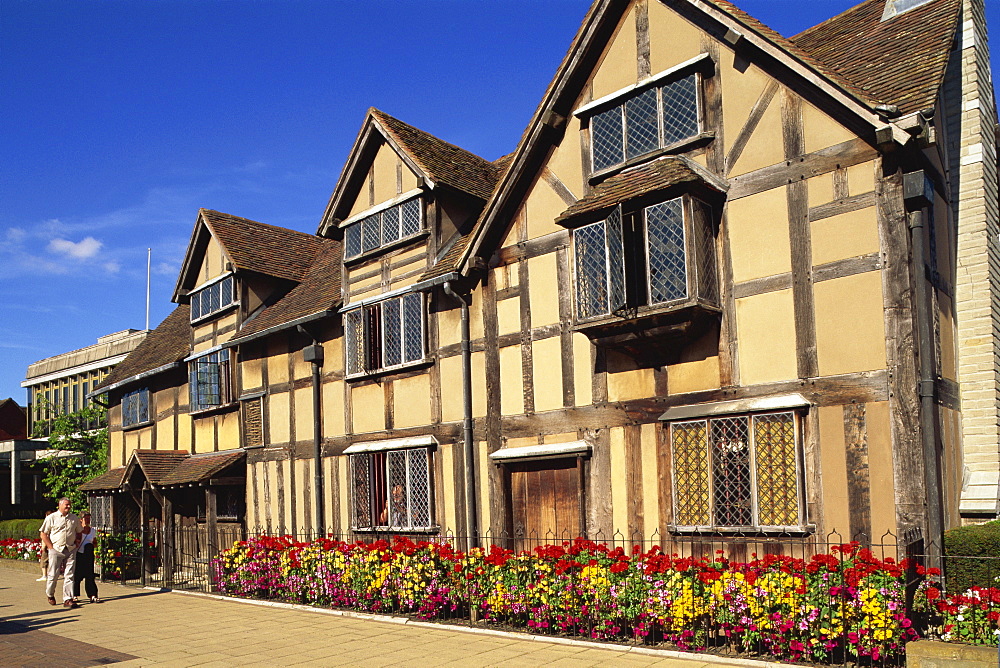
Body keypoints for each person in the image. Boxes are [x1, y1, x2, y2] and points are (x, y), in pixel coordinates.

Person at [39, 498, 82, 609]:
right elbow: (43, 534)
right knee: (53, 574)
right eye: (66, 505)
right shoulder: (51, 518)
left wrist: (77, 543)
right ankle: (50, 594)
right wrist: (51, 548)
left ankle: (68, 599)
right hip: (56, 550)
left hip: (70, 549)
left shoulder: (74, 518)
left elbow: (79, 531)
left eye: (69, 505)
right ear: (60, 505)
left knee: (70, 575)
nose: (68, 507)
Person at [73, 512, 100, 604]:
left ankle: (92, 595)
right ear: (81, 520)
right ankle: (74, 595)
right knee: (77, 576)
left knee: (90, 576)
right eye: (86, 518)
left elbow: (95, 542)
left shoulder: (92, 530)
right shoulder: (77, 530)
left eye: (89, 518)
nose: (88, 520)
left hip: (88, 555)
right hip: (79, 554)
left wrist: (93, 545)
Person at [36, 509, 53, 581]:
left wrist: (44, 546)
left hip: (47, 544)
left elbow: (43, 535)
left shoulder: (48, 523)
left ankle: (45, 575)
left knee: (44, 559)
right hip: (53, 544)